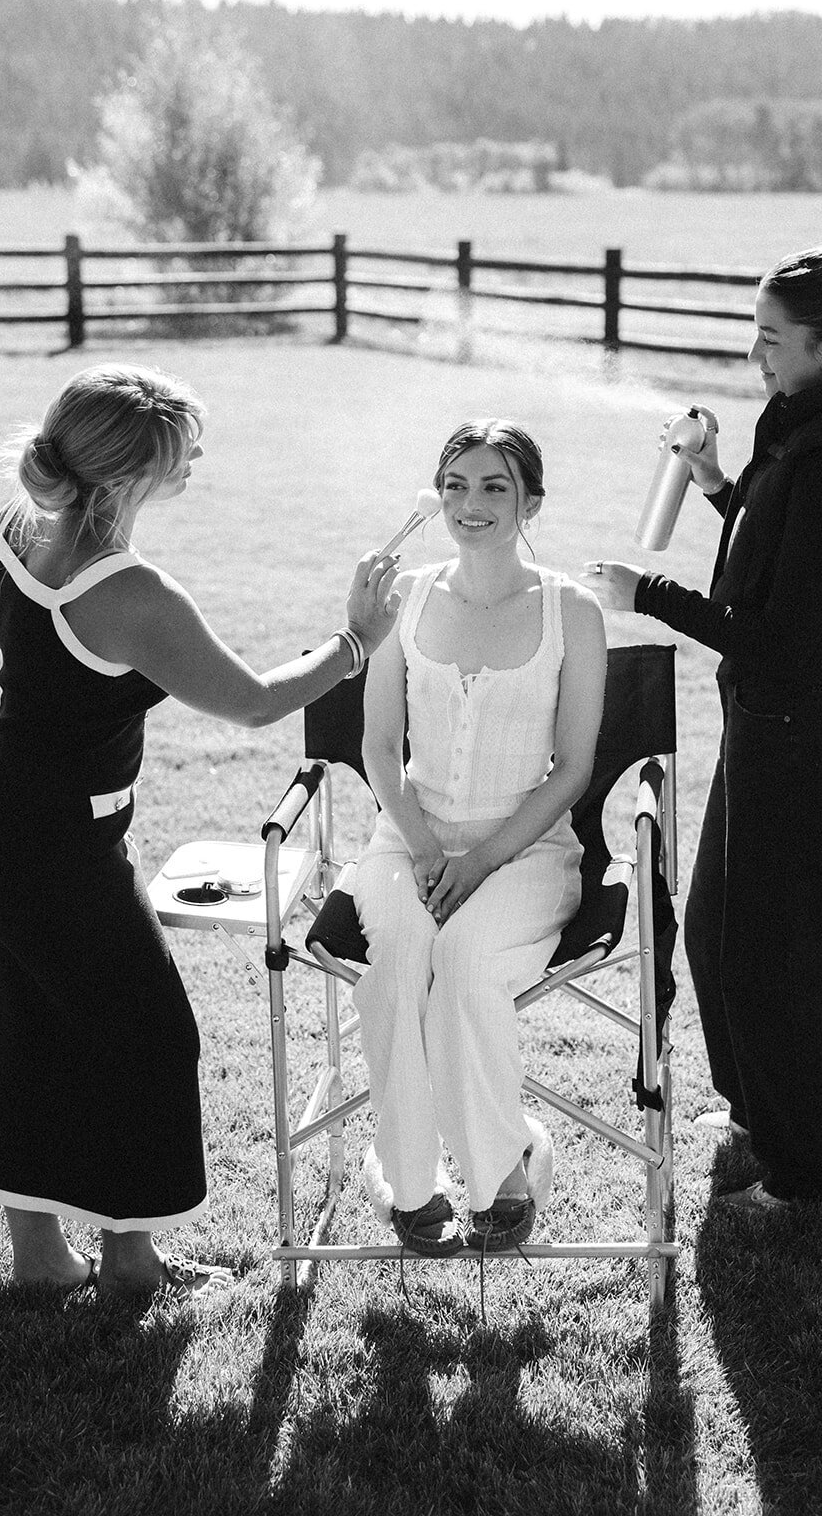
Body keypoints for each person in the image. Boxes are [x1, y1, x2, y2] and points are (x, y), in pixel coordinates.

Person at [0, 363, 398, 1297]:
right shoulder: (133, 591)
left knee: (36, 1023)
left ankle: (42, 1258)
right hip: (58, 844)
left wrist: (74, 687)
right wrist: (356, 639)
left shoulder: (17, 531)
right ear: (126, 474)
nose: (197, 455)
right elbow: (252, 702)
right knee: (151, 1037)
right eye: (180, 447)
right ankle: (130, 1266)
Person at [584, 243, 822, 1209]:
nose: (754, 354)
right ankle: (758, 1111)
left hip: (804, 722)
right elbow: (777, 545)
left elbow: (782, 638)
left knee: (782, 953)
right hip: (772, 717)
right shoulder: (818, 422)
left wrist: (649, 594)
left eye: (770, 339)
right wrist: (717, 483)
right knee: (718, 924)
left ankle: (815, 1179)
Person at [353, 419, 606, 1255]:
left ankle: (505, 1171)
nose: (471, 503)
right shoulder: (407, 598)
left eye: (495, 486)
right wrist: (426, 848)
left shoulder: (572, 611)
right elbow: (379, 747)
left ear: (531, 501)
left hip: (525, 848)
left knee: (462, 969)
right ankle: (411, 1183)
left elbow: (572, 767)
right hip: (409, 838)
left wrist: (482, 860)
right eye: (456, 484)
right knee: (396, 965)